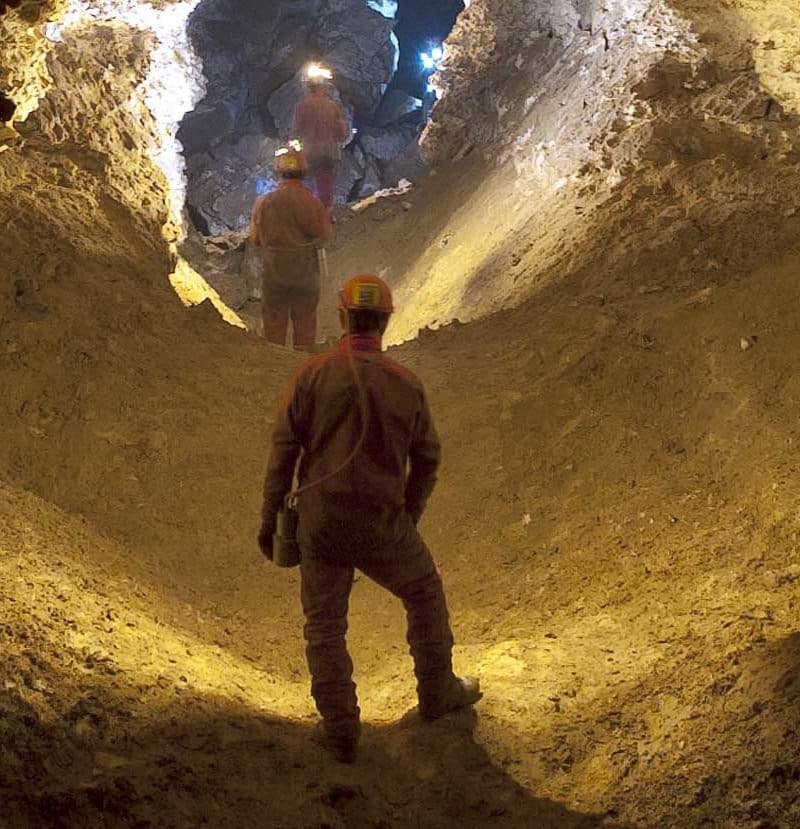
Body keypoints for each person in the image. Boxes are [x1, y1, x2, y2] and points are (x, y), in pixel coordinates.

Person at [257, 273, 481, 764]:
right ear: (385, 320)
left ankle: (340, 728)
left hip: (322, 521)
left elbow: (283, 455)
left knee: (325, 623)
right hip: (381, 520)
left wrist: (269, 518)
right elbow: (428, 459)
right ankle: (437, 691)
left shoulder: (311, 375)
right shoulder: (406, 384)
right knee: (423, 593)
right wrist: (408, 515)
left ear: (341, 316)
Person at [249, 145, 331, 348]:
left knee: (274, 322)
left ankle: (275, 364)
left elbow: (255, 239)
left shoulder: (263, 202)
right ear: (304, 172)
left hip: (275, 274)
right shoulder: (312, 202)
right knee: (305, 321)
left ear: (279, 171)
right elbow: (324, 235)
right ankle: (302, 365)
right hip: (305, 274)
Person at [291, 66, 349, 210]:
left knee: (306, 185)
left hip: (309, 153)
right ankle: (324, 215)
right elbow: (342, 132)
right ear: (324, 86)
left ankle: (307, 215)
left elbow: (296, 132)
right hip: (328, 153)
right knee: (325, 185)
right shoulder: (332, 106)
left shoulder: (302, 106)